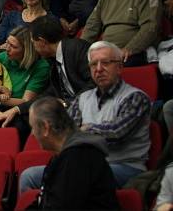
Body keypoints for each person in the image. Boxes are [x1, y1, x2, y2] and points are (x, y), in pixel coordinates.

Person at [21, 41, 151, 192]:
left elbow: (116, 134)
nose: (99, 69)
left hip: (123, 167)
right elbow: (66, 135)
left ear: (120, 67)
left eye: (106, 63)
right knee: (29, 176)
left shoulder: (135, 98)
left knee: (71, 175)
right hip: (84, 164)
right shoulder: (82, 99)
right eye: (94, 64)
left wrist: (83, 130)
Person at [0, 16, 93, 130]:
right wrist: (16, 110)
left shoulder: (76, 49)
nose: (33, 48)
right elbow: (49, 94)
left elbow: (94, 85)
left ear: (42, 42)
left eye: (33, 43)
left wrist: (67, 104)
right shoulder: (53, 60)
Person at [27, 96, 119, 209]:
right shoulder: (61, 157)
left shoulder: (79, 158)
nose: (32, 134)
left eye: (33, 127)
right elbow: (44, 202)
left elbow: (62, 206)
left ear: (46, 127)